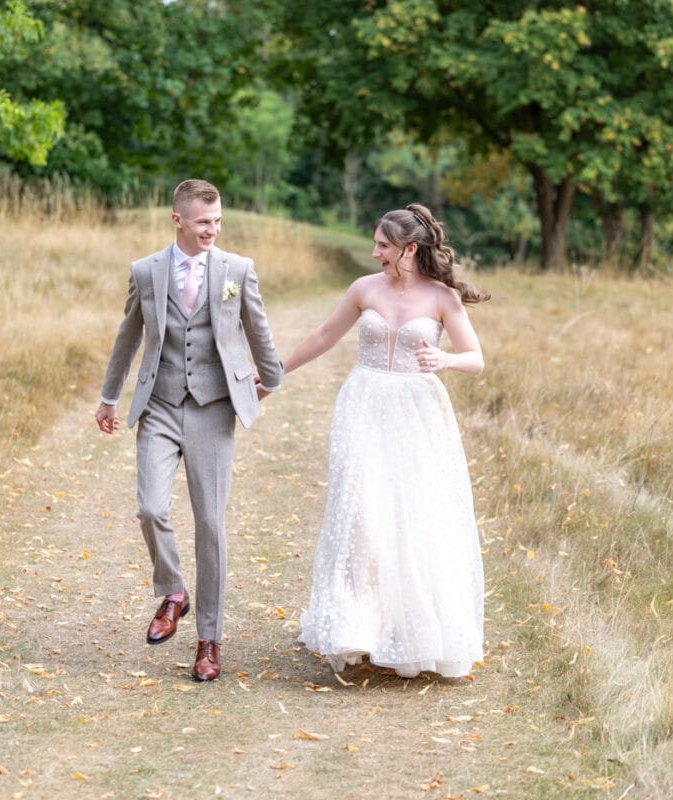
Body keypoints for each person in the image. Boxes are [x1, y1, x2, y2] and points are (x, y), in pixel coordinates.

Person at [282, 203, 488, 679]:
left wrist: (445, 360)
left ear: (409, 250)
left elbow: (476, 359)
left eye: (382, 246)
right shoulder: (364, 289)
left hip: (417, 412)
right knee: (360, 511)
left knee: (413, 514)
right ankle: (358, 625)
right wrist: (277, 372)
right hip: (363, 404)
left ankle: (410, 628)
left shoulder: (442, 297)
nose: (375, 253)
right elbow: (325, 335)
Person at [95, 179, 283, 682]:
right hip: (158, 403)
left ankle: (209, 641)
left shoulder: (237, 270)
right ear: (177, 219)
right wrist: (109, 396)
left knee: (210, 525)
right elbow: (128, 336)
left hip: (212, 408)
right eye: (203, 222)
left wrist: (269, 379)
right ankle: (173, 591)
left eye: (217, 221)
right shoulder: (146, 271)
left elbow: (257, 328)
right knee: (151, 508)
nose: (212, 230)